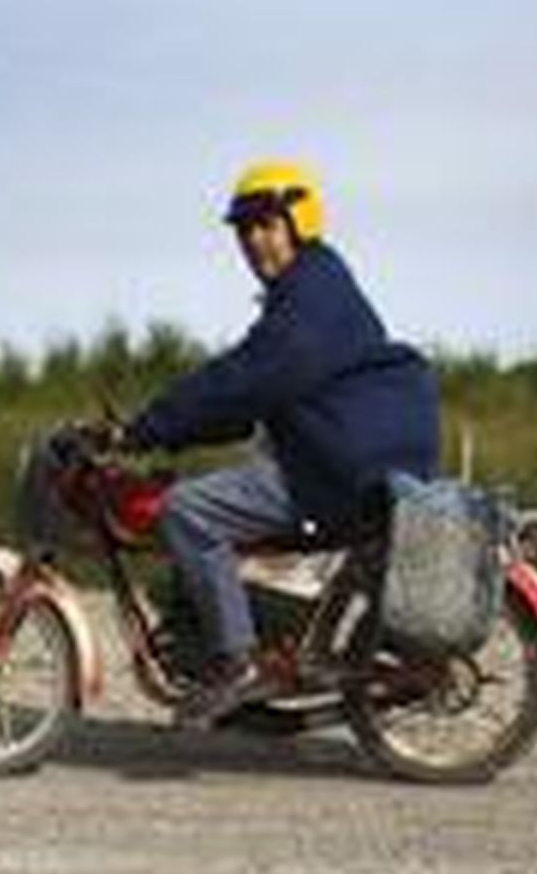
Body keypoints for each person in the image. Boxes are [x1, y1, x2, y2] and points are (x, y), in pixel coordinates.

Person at [123, 160, 440, 724]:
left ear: (299, 221)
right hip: (350, 452)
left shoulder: (306, 304)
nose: (253, 242)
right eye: (244, 231)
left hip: (336, 467)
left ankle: (236, 662)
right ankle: (249, 633)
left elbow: (245, 377)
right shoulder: (316, 285)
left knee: (188, 511)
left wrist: (147, 427)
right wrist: (173, 432)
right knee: (222, 491)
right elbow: (247, 401)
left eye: (266, 225)